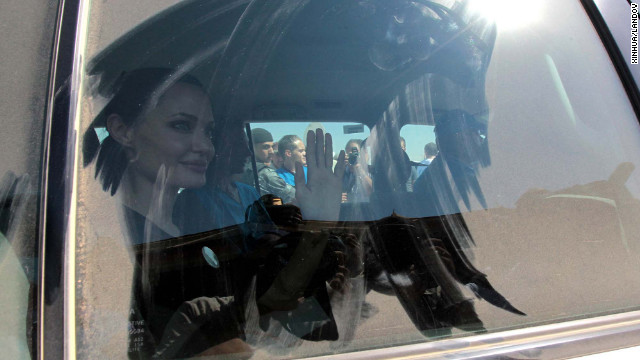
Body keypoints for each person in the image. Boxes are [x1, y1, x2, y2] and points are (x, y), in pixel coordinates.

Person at [241, 129, 296, 203]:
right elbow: (293, 195)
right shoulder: (265, 173)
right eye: (266, 147)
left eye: (272, 147)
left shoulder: (241, 169)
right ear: (251, 147)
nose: (271, 152)